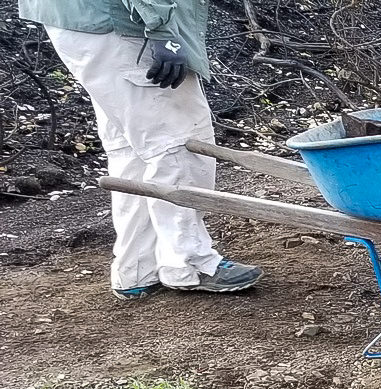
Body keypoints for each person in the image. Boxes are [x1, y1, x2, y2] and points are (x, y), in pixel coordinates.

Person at [19, 0, 262, 298]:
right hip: (122, 22)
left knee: (132, 148)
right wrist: (161, 29)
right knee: (179, 142)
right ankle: (190, 263)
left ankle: (137, 268)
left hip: (82, 19)